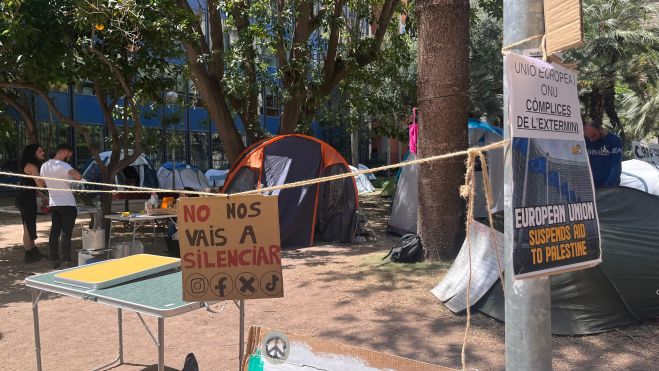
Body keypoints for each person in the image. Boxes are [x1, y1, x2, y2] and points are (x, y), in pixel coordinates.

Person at [40, 144, 82, 268]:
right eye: (69, 154)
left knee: (54, 232)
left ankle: (54, 259)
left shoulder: (44, 166)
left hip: (54, 204)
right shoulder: (64, 166)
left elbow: (41, 183)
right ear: (65, 152)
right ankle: (66, 259)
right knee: (66, 233)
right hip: (67, 204)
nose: (69, 157)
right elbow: (78, 176)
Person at [14, 144, 47, 263]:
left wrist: (42, 195)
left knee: (29, 225)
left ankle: (32, 250)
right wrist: (48, 179)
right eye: (39, 151)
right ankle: (29, 254)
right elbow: (39, 183)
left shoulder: (29, 165)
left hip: (25, 197)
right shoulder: (32, 166)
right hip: (26, 199)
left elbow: (30, 184)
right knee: (29, 226)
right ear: (33, 153)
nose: (42, 152)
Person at [583, 120, 623, 187]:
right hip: (591, 185)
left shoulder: (613, 140)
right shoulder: (587, 140)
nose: (591, 140)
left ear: (600, 129)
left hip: (608, 186)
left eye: (593, 136)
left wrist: (609, 185)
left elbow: (616, 166)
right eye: (588, 137)